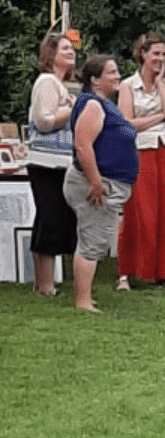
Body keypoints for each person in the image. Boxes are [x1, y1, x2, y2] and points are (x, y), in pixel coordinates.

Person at [63, 55, 138, 312]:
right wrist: (95, 183)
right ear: (95, 80)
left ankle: (85, 298)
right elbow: (83, 145)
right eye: (112, 72)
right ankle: (83, 302)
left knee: (95, 239)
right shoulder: (94, 106)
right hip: (96, 183)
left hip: (106, 182)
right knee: (92, 241)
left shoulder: (104, 105)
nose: (118, 76)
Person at [116, 32, 165, 289]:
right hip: (139, 152)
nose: (159, 58)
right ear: (143, 54)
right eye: (155, 53)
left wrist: (159, 82)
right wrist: (159, 117)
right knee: (139, 212)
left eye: (164, 54)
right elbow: (127, 124)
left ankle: (163, 272)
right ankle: (128, 271)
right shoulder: (127, 85)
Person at [27, 33, 77, 296]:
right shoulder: (47, 82)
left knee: (56, 218)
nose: (72, 52)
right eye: (65, 48)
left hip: (59, 162)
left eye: (72, 49)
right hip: (47, 163)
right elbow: (44, 122)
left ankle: (44, 282)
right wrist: (74, 108)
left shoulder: (60, 84)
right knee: (50, 218)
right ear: (51, 54)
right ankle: (44, 283)